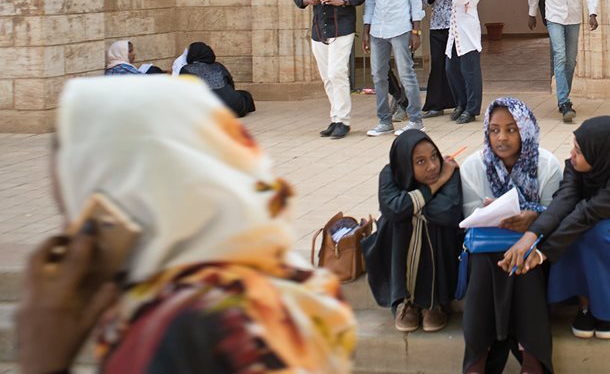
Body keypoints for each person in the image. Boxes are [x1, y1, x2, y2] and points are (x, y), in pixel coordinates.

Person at [18, 76, 356, 374]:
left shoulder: (174, 329)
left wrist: (44, 361)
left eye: (79, 206)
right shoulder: (278, 280)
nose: (73, 229)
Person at [504, 116, 610, 341]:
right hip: (596, 242)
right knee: (575, 226)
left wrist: (542, 253)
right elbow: (563, 203)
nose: (572, 154)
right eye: (573, 147)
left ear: (600, 153)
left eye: (579, 151)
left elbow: (587, 213)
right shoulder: (576, 168)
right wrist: (530, 237)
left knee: (595, 228)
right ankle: (585, 304)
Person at [459, 97, 563, 374]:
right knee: (483, 264)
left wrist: (534, 216)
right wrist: (493, 216)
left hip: (535, 248)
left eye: (511, 129)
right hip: (486, 246)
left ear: (525, 129)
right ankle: (477, 359)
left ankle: (532, 357)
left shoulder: (547, 165)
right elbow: (468, 217)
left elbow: (556, 212)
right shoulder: (474, 166)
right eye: (494, 130)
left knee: (523, 261)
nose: (501, 138)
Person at [363, 130, 463, 333]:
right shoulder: (390, 173)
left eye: (434, 156)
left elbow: (446, 211)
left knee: (428, 223)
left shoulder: (450, 169)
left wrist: (411, 206)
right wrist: (436, 185)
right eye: (420, 162)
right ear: (405, 163)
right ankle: (403, 300)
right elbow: (393, 210)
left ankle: (433, 301)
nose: (433, 166)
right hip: (396, 241)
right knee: (398, 223)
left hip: (441, 245)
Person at [293, 0, 366, 139]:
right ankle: (335, 118)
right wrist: (309, 0)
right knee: (327, 77)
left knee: (337, 73)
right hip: (319, 29)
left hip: (342, 28)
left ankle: (344, 120)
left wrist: (339, 1)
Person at [525, 0, 600, 123]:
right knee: (559, 55)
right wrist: (532, 12)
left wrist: (593, 12)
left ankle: (563, 96)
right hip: (554, 14)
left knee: (571, 58)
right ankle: (564, 101)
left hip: (574, 15)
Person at [364, 0, 426, 136]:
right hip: (377, 30)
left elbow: (415, 0)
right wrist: (366, 30)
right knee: (378, 75)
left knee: (406, 74)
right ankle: (384, 121)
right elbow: (370, 2)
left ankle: (416, 120)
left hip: (400, 28)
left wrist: (416, 32)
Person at [447, 0, 484, 125]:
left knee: (469, 71)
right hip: (455, 30)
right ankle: (460, 104)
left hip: (467, 29)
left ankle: (471, 108)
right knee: (451, 68)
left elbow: (458, 0)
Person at [420, 0, 456, 117]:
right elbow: (427, 1)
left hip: (453, 26)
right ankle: (436, 104)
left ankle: (458, 102)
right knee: (437, 65)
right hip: (436, 26)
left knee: (453, 66)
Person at [179, 41, 256, 118]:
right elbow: (230, 85)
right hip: (235, 108)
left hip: (209, 110)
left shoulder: (186, 69)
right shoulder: (218, 66)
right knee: (245, 95)